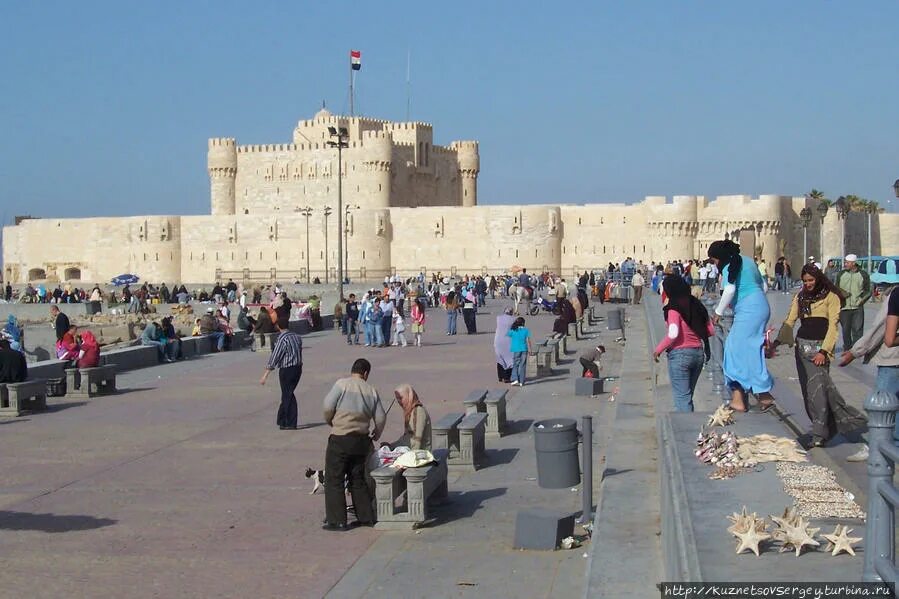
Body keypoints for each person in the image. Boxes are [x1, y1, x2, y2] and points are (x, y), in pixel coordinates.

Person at [774, 264, 866, 448]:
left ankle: (819, 434)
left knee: (819, 393)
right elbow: (790, 320)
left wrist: (824, 351)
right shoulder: (800, 297)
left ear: (818, 279)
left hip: (819, 350)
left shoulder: (831, 297)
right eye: (805, 281)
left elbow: (833, 326)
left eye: (811, 280)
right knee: (808, 392)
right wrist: (776, 342)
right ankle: (824, 428)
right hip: (802, 348)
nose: (808, 284)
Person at [707, 240, 776, 412]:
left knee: (733, 349)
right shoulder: (749, 261)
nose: (715, 264)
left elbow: (729, 291)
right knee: (744, 349)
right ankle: (744, 396)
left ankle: (760, 394)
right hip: (760, 305)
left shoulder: (728, 266)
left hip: (748, 310)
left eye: (714, 261)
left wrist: (718, 312)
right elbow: (764, 286)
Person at [322, 358, 386, 530]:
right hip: (361, 441)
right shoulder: (371, 390)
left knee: (334, 478)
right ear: (365, 374)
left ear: (353, 370)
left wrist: (332, 422)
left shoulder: (342, 384)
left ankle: (337, 520)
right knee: (357, 478)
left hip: (340, 438)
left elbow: (328, 406)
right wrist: (377, 432)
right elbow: (380, 417)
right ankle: (366, 517)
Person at [840, 283, 899, 460]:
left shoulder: (894, 295)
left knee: (881, 407)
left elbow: (881, 331)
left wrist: (855, 351)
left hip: (892, 359)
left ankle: (875, 448)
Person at [653, 275, 714, 412]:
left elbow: (673, 334)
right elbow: (710, 330)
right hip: (698, 354)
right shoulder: (696, 304)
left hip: (680, 355)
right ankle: (689, 427)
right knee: (687, 397)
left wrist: (658, 350)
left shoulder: (673, 308)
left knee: (682, 399)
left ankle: (687, 431)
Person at [259, 317, 303, 430]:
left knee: (288, 394)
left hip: (287, 369)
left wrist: (265, 375)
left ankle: (290, 422)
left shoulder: (282, 339)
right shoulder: (297, 337)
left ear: (278, 326)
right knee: (288, 393)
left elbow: (275, 357)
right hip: (297, 368)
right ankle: (282, 420)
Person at [835, 254, 871, 351]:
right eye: (845, 262)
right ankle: (847, 348)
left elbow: (868, 290)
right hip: (844, 307)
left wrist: (861, 300)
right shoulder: (841, 274)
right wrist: (842, 294)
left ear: (854, 263)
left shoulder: (863, 274)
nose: (845, 264)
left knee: (858, 330)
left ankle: (856, 349)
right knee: (846, 330)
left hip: (857, 307)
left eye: (847, 262)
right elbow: (835, 288)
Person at [391, 384, 432, 450]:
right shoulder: (410, 411)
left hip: (421, 457)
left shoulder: (418, 411)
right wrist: (392, 446)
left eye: (401, 398)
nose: (399, 401)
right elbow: (406, 438)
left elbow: (416, 442)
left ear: (409, 396)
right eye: (397, 399)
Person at [507, 317, 533, 386]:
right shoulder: (526, 330)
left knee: (516, 364)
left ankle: (515, 379)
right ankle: (522, 381)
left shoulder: (513, 330)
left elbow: (508, 335)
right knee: (523, 365)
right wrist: (530, 350)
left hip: (516, 349)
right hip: (524, 349)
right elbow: (528, 340)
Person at [494, 306, 516, 383]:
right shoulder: (513, 319)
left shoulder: (498, 318)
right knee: (510, 359)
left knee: (500, 358)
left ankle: (500, 377)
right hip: (509, 341)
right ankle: (507, 377)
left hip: (498, 340)